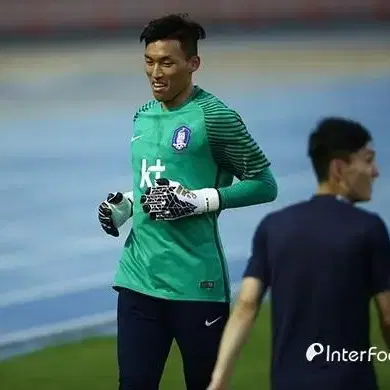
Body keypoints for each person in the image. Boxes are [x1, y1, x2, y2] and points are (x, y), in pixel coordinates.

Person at [97, 13, 278, 390]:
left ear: (193, 64)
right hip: (137, 279)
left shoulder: (216, 117)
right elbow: (152, 184)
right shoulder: (142, 116)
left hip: (196, 285)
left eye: (167, 62)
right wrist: (126, 204)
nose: (155, 73)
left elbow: (264, 184)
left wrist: (199, 201)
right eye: (149, 61)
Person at [207, 117, 390, 390]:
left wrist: (218, 381)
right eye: (367, 160)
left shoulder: (273, 227)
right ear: (339, 168)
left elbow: (246, 305)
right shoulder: (368, 228)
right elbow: (388, 316)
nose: (375, 171)